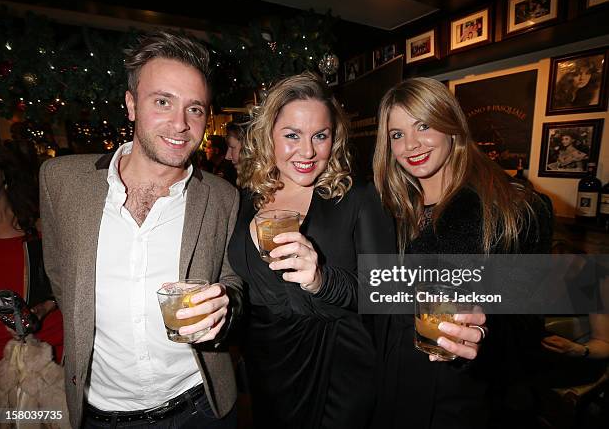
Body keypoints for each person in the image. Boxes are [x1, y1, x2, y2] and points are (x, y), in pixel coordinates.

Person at [39, 30, 243, 429]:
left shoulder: (221, 197)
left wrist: (227, 307)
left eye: (195, 109)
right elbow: (59, 275)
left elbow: (232, 278)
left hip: (200, 408)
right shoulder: (61, 181)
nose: (181, 124)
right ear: (131, 104)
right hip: (102, 413)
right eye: (163, 101)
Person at [371, 77, 553, 429]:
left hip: (468, 399)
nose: (411, 144)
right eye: (397, 134)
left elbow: (526, 326)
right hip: (394, 387)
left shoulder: (514, 210)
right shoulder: (388, 209)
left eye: (424, 125)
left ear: (451, 125)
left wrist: (484, 331)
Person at [227, 71, 395, 428]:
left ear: (334, 139)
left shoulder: (358, 199)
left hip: (337, 367)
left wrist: (322, 280)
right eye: (292, 135)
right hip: (266, 367)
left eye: (321, 135)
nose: (307, 151)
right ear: (268, 134)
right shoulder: (246, 198)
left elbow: (386, 291)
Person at [0, 144, 62, 363]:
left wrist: (48, 304)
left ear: (4, 172)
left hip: (51, 350)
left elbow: (72, 279)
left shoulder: (40, 224)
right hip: (2, 359)